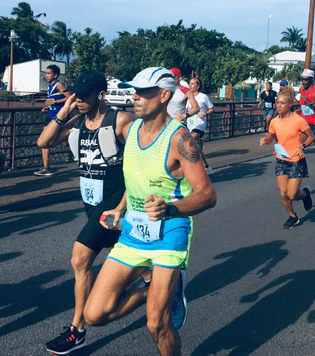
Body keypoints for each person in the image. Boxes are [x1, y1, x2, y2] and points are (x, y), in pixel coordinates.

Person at [82, 67, 216, 356]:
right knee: (94, 315)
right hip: (133, 233)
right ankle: (154, 291)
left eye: (143, 92)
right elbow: (136, 179)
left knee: (157, 324)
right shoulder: (130, 132)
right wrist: (119, 210)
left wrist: (170, 208)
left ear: (164, 95)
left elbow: (207, 195)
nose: (135, 97)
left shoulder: (181, 140)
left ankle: (164, 295)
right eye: (134, 91)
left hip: (170, 233)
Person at [37, 71, 135, 354]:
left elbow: (137, 166)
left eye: (84, 97)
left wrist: (121, 207)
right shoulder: (77, 122)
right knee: (137, 260)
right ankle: (161, 281)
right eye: (75, 96)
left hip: (114, 204)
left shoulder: (120, 120)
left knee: (80, 259)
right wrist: (63, 110)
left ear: (100, 95)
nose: (78, 100)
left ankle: (77, 331)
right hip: (91, 204)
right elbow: (44, 142)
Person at [260, 91, 315, 229]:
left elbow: (311, 137)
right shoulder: (274, 121)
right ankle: (293, 216)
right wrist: (266, 140)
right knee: (283, 193)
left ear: (290, 104)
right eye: (277, 103)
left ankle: (305, 194)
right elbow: (272, 136)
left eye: (282, 103)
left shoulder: (298, 120)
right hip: (281, 159)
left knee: (291, 194)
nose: (279, 105)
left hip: (296, 159)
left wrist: (302, 146)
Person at [34, 65, 69, 176]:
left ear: (55, 75)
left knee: (47, 141)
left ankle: (47, 168)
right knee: (45, 141)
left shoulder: (59, 84)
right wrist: (48, 107)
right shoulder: (50, 86)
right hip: (51, 116)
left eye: (49, 73)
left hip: (60, 117)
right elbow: (54, 100)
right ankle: (46, 167)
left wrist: (55, 103)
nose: (46, 75)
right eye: (46, 73)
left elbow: (69, 97)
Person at [186, 77, 214, 173]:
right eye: (189, 83)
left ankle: (191, 168)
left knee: (189, 142)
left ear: (198, 86)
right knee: (196, 146)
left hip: (199, 123)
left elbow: (211, 108)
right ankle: (206, 166)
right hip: (190, 123)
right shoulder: (187, 97)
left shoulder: (203, 97)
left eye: (193, 84)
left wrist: (205, 113)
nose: (190, 85)